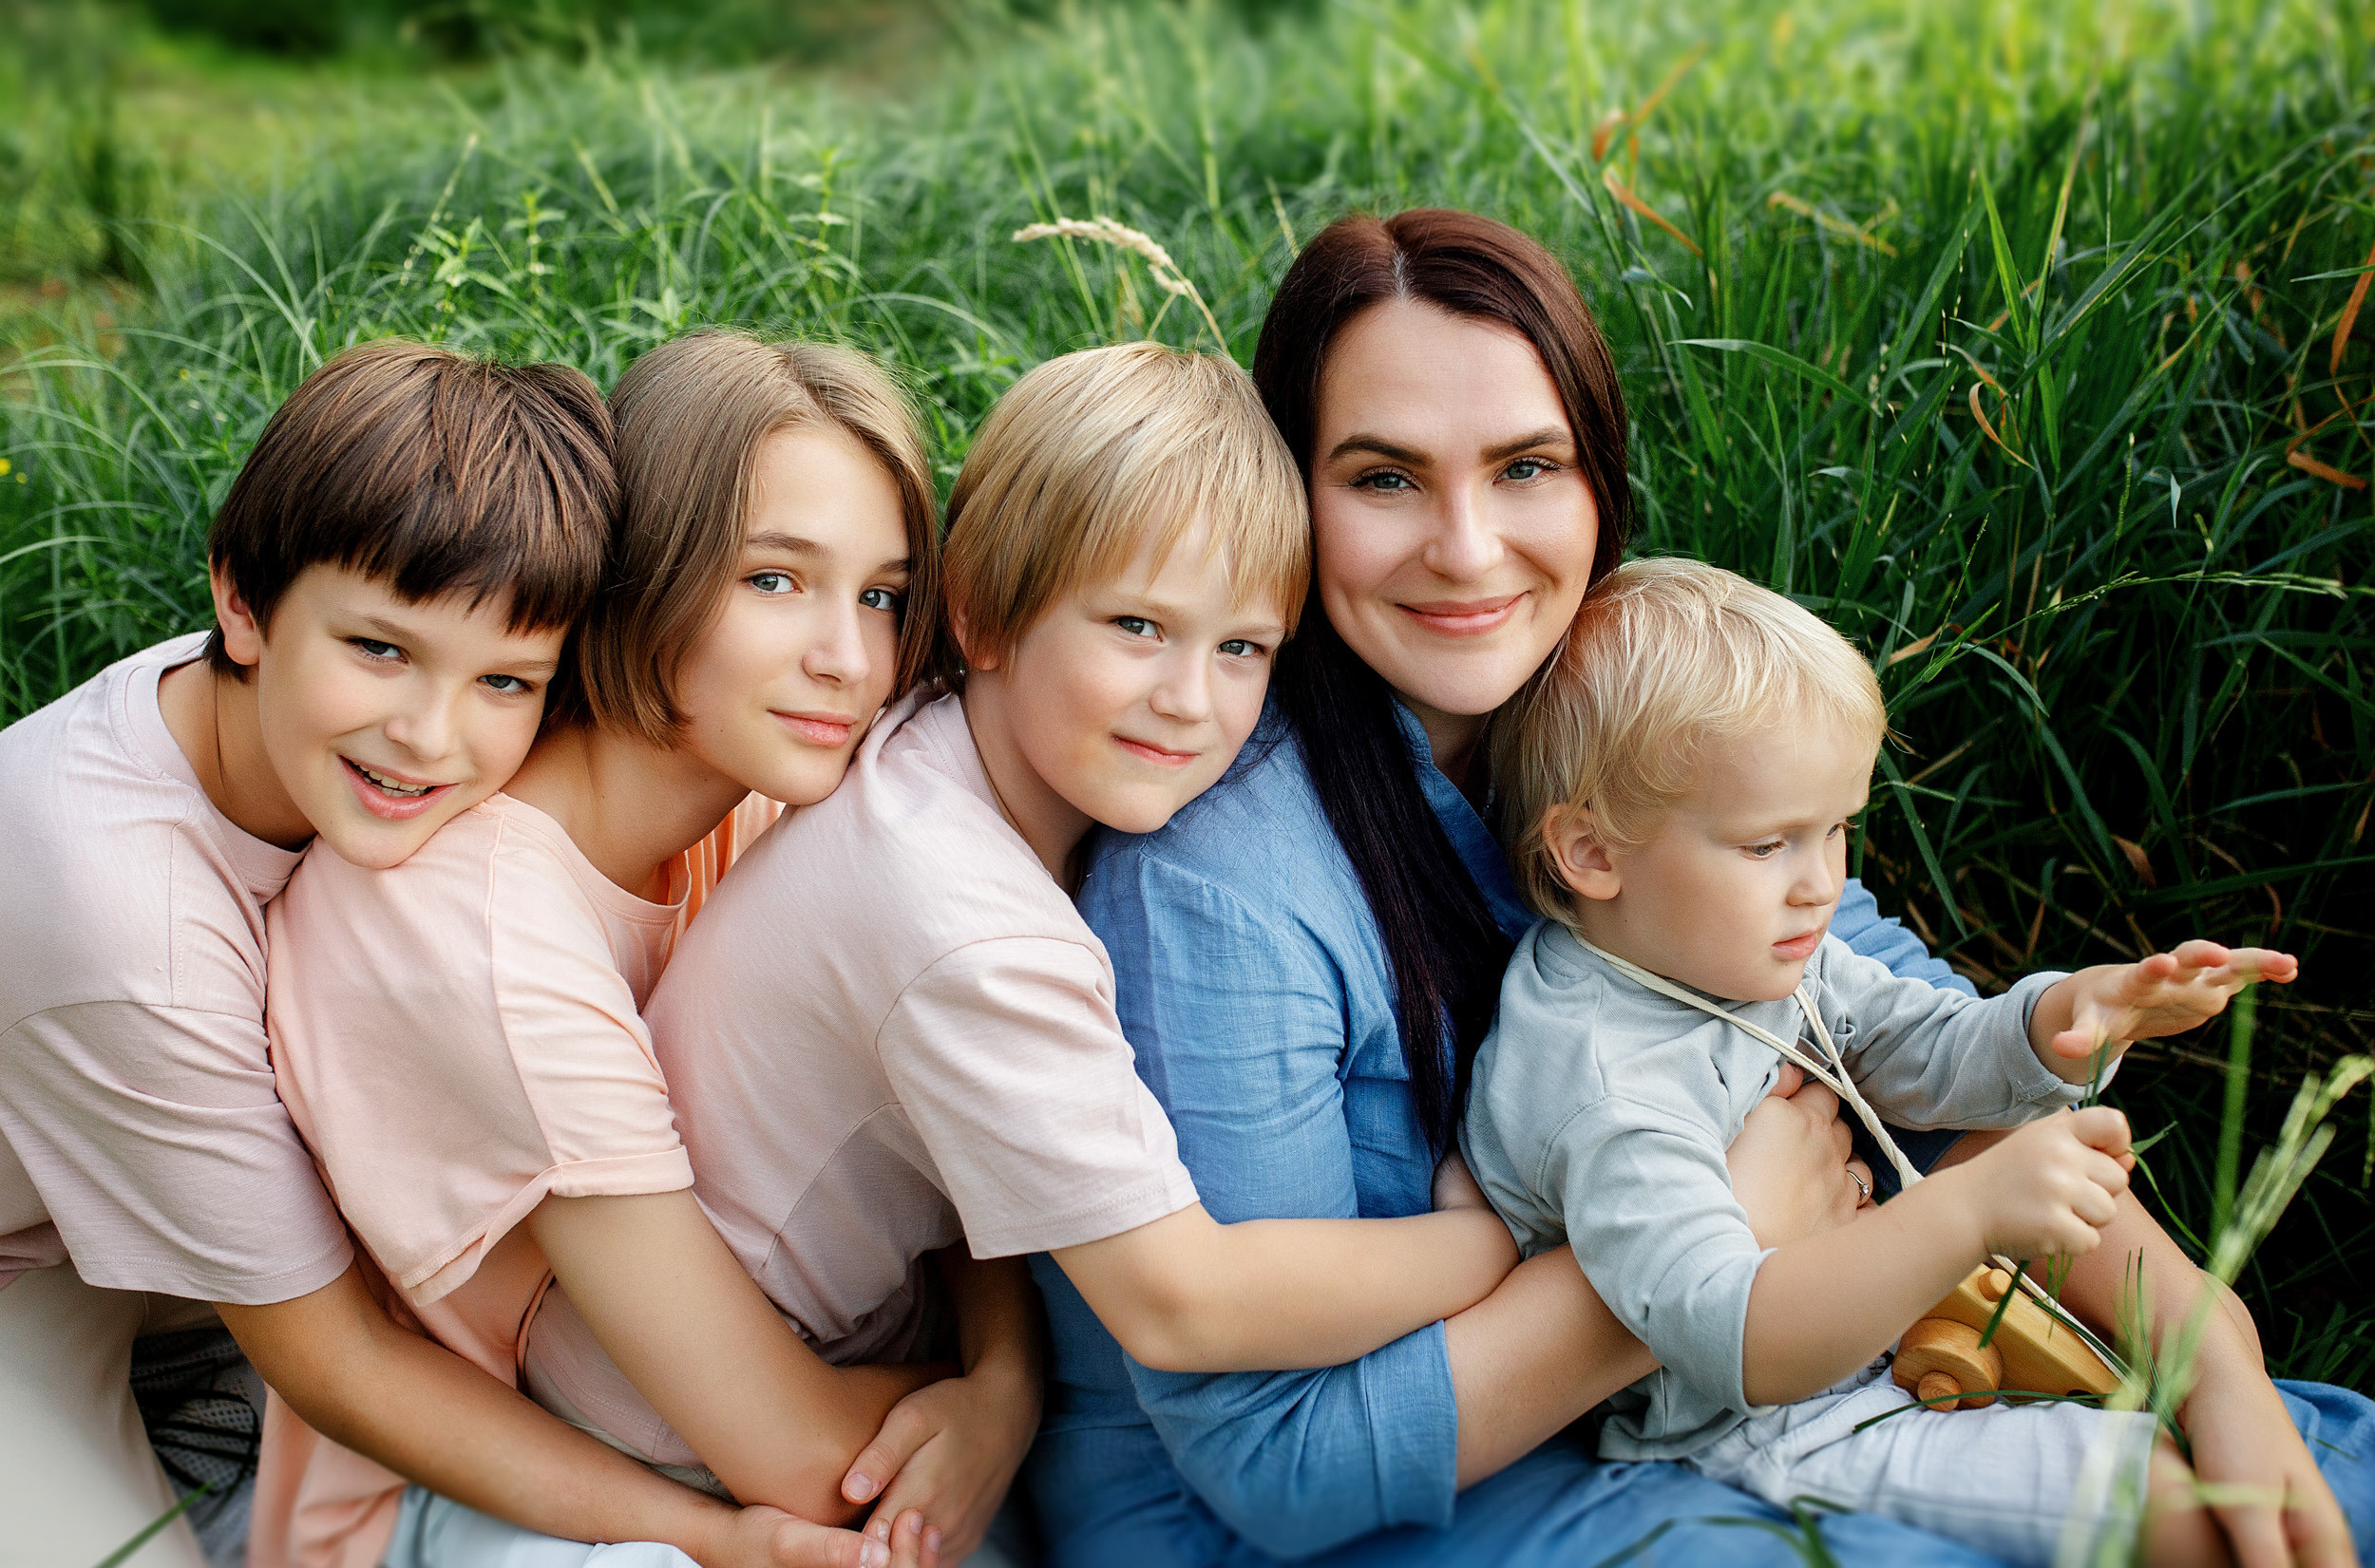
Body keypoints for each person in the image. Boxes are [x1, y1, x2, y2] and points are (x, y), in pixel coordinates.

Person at [1035, 208, 2372, 1567]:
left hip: (1705, 1385)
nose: (1468, 547)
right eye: (1384, 477)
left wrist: (2214, 1358)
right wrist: (1729, 1230)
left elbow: (1916, 1063)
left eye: (1525, 466)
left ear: (1597, 478)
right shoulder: (1223, 884)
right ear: (1292, 499)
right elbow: (1278, 1465)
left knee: (2318, 1490)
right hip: (1311, 1512)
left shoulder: (1634, 709)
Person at [599, 341, 1524, 1568]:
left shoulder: (938, 757)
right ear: (980, 613)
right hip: (701, 1434)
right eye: (1138, 625)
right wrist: (1506, 1240)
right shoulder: (966, 922)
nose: (1190, 699)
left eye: (1242, 647)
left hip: (845, 1344)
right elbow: (1181, 1300)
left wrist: (1006, 1373)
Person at [0, 343, 819, 1568]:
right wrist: (711, 1533)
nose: (430, 734)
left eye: (505, 679)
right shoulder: (130, 927)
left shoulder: (299, 697)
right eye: (381, 650)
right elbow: (338, 1362)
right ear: (241, 602)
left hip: (141, 1202)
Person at [256, 331, 1009, 1568]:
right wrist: (992, 1397)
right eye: (775, 578)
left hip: (696, 1432)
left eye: (880, 595)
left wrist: (1010, 1378)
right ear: (642, 568)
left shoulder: (753, 798)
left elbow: (935, 1120)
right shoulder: (482, 929)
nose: (848, 658)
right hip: (478, 1507)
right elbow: (801, 1458)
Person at [1464, 556, 2299, 1566]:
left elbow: (1925, 1050)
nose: (1822, 883)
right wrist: (1966, 1213)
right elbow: (1740, 1342)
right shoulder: (1608, 1084)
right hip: (1765, 1423)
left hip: (1873, 1330)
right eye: (1768, 844)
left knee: (2201, 1409)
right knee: (2165, 1505)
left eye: (1838, 830)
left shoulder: (1719, 947)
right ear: (1592, 853)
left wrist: (2070, 1014)